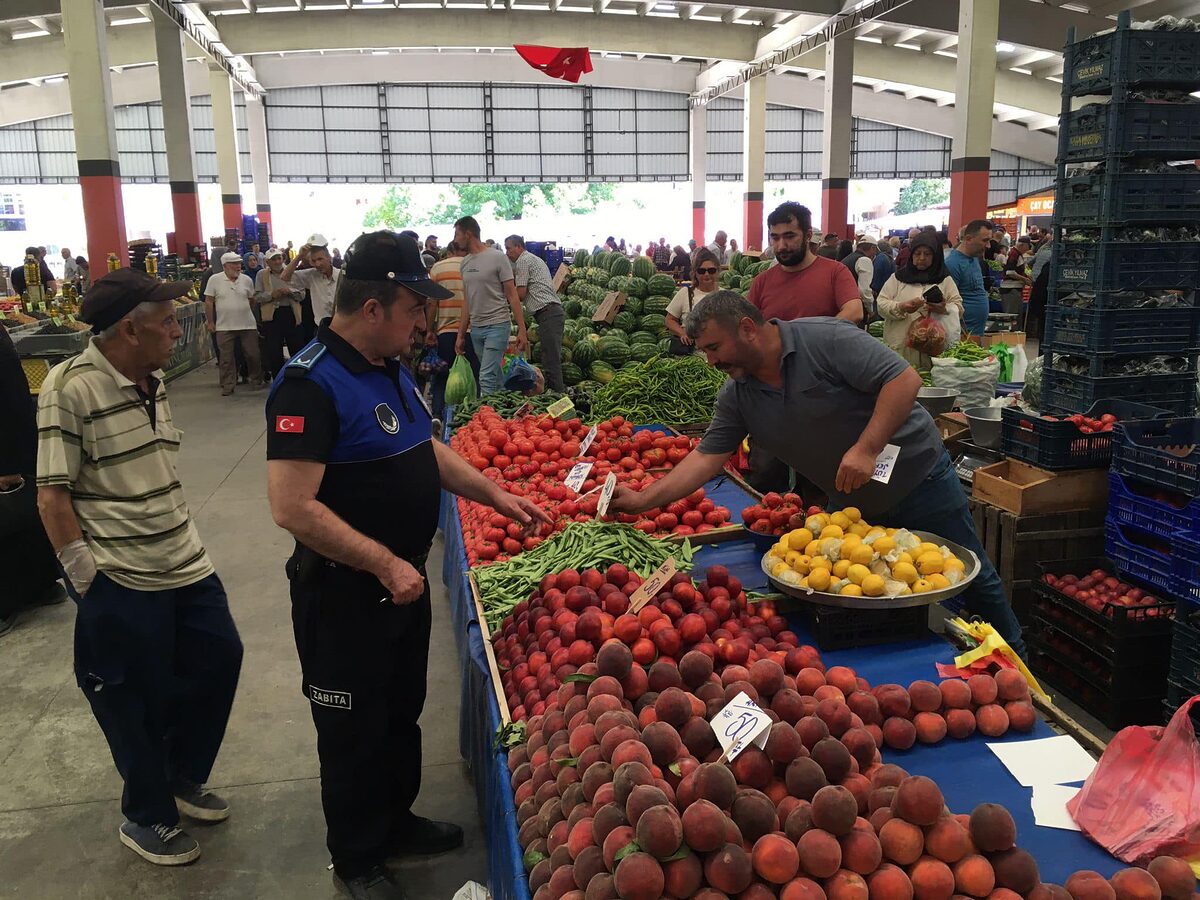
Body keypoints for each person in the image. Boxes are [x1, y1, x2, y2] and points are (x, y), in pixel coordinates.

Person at [265, 231, 552, 900]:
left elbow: (425, 448)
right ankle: (357, 856)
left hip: (402, 584)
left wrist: (494, 492)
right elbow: (292, 507)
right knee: (351, 726)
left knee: (400, 709)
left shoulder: (389, 365)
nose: (424, 322)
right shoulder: (308, 384)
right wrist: (385, 565)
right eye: (414, 308)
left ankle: (396, 821)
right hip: (344, 594)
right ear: (374, 308)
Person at [607, 290, 1027, 658]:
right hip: (853, 503)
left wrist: (866, 448)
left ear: (748, 328)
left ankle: (1023, 672)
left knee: (972, 578)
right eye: (705, 351)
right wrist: (643, 501)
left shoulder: (824, 339)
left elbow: (904, 379)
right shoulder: (737, 394)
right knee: (867, 588)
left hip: (918, 478)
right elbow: (705, 458)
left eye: (715, 347)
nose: (711, 360)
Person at [36, 268, 244, 865]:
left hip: (185, 560)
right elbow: (52, 496)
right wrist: (89, 584)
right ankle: (146, 814)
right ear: (129, 329)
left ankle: (180, 776)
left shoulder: (150, 380)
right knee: (133, 697)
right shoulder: (68, 387)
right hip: (121, 575)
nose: (178, 334)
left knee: (218, 660)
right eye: (169, 323)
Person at [0, 324, 66, 636]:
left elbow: (10, 398)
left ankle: (9, 603)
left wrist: (8, 462)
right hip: (18, 446)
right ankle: (42, 586)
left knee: (12, 520)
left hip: (10, 448)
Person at [747, 202, 863, 325]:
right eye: (775, 238)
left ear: (808, 235)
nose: (781, 246)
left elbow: (855, 312)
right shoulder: (761, 282)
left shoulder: (835, 272)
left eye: (789, 237)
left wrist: (809, 337)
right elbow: (748, 325)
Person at [454, 215, 527, 396]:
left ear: (468, 234)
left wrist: (522, 331)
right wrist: (461, 335)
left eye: (457, 234)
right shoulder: (465, 263)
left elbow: (512, 295)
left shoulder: (498, 258)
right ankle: (506, 410)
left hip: (498, 325)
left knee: (485, 376)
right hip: (476, 329)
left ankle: (485, 420)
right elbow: (467, 302)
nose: (455, 240)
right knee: (494, 376)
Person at [875, 232, 964, 368]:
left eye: (927, 254)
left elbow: (958, 307)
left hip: (933, 350)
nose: (921, 258)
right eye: (917, 254)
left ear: (935, 256)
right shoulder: (898, 278)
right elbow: (881, 304)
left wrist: (944, 309)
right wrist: (901, 307)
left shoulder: (945, 280)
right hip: (901, 348)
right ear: (911, 255)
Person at [427, 242, 480, 420]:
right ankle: (473, 416)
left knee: (442, 374)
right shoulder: (473, 268)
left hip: (446, 331)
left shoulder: (437, 268)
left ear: (449, 252)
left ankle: (437, 414)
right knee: (473, 377)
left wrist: (429, 330)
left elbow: (432, 303)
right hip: (472, 331)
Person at [505, 234, 565, 393]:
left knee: (551, 361)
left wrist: (505, 299)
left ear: (518, 247)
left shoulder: (523, 261)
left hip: (548, 313)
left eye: (509, 248)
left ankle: (558, 399)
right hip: (551, 312)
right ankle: (555, 396)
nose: (507, 253)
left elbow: (521, 293)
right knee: (550, 358)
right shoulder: (535, 259)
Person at [204, 252, 264, 396]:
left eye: (239, 263)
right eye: (234, 264)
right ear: (225, 266)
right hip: (224, 326)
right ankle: (228, 384)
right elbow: (209, 301)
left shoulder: (247, 280)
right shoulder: (214, 280)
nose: (238, 266)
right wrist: (211, 321)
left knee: (253, 354)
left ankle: (256, 379)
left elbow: (252, 299)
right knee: (226, 358)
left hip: (247, 324)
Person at [255, 248, 305, 379]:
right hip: (272, 317)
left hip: (291, 314)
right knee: (274, 351)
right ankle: (278, 379)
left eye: (279, 258)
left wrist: (290, 292)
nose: (277, 262)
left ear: (283, 259)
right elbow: (257, 297)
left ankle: (298, 378)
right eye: (273, 259)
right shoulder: (261, 274)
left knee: (297, 348)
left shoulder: (293, 272)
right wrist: (272, 295)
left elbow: (302, 295)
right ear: (267, 262)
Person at [944, 219, 993, 337]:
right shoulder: (952, 264)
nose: (988, 245)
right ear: (969, 239)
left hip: (977, 332)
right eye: (985, 241)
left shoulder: (975, 258)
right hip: (963, 335)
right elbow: (949, 302)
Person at [666, 247, 720, 353]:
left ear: (717, 271)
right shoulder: (685, 293)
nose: (707, 274)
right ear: (695, 273)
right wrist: (682, 333)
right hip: (690, 355)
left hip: (717, 356)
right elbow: (669, 320)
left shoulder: (724, 295)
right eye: (701, 271)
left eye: (711, 270)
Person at [283, 235, 343, 325]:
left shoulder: (341, 276)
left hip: (343, 327)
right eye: (314, 261)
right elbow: (284, 277)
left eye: (320, 259)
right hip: (322, 329)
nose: (317, 264)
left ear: (329, 258)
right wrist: (299, 256)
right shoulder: (311, 275)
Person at [841, 236, 880, 318]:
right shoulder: (864, 260)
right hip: (856, 307)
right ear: (872, 248)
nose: (875, 253)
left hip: (843, 304)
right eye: (875, 250)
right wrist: (870, 310)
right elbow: (864, 290)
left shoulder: (847, 258)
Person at [999, 236, 1033, 316]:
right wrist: (1024, 279)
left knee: (1016, 315)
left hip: (1015, 289)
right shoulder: (1014, 254)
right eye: (1027, 246)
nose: (1027, 249)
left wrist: (1027, 277)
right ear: (1022, 245)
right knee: (1011, 316)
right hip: (1010, 290)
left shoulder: (1017, 254)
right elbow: (1009, 272)